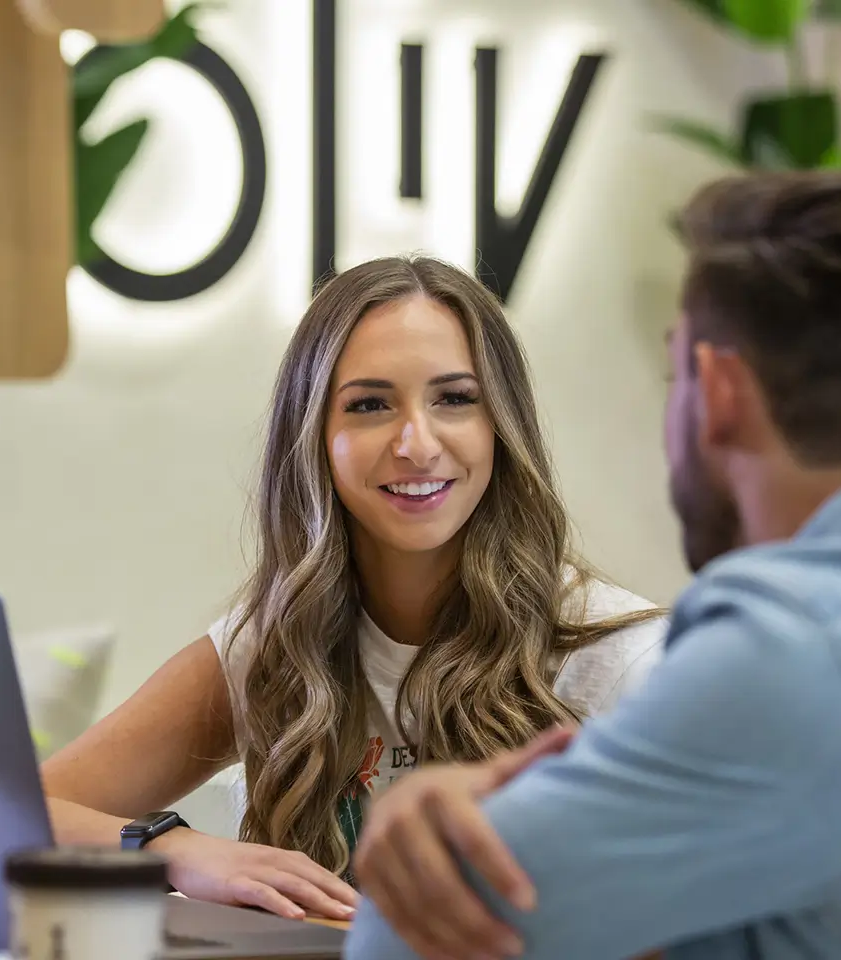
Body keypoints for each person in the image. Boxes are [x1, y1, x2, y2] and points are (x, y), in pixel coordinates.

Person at [344, 170, 841, 960]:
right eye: (368, 404)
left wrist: (429, 827)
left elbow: (405, 941)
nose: (415, 443)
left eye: (676, 373)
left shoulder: (791, 652)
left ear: (720, 392)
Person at [39, 255, 667, 922]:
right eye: (370, 405)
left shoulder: (622, 662)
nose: (417, 444)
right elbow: (15, 813)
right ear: (314, 436)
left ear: (501, 426)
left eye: (455, 399)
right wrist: (175, 850)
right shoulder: (275, 644)